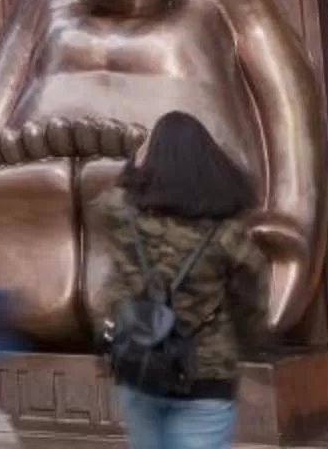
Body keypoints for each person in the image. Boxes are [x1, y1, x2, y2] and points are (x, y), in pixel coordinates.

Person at [92, 112, 269, 449]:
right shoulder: (227, 231)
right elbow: (251, 297)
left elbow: (108, 198)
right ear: (209, 163)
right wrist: (252, 344)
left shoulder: (121, 213)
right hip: (206, 372)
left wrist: (136, 161)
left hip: (138, 363)